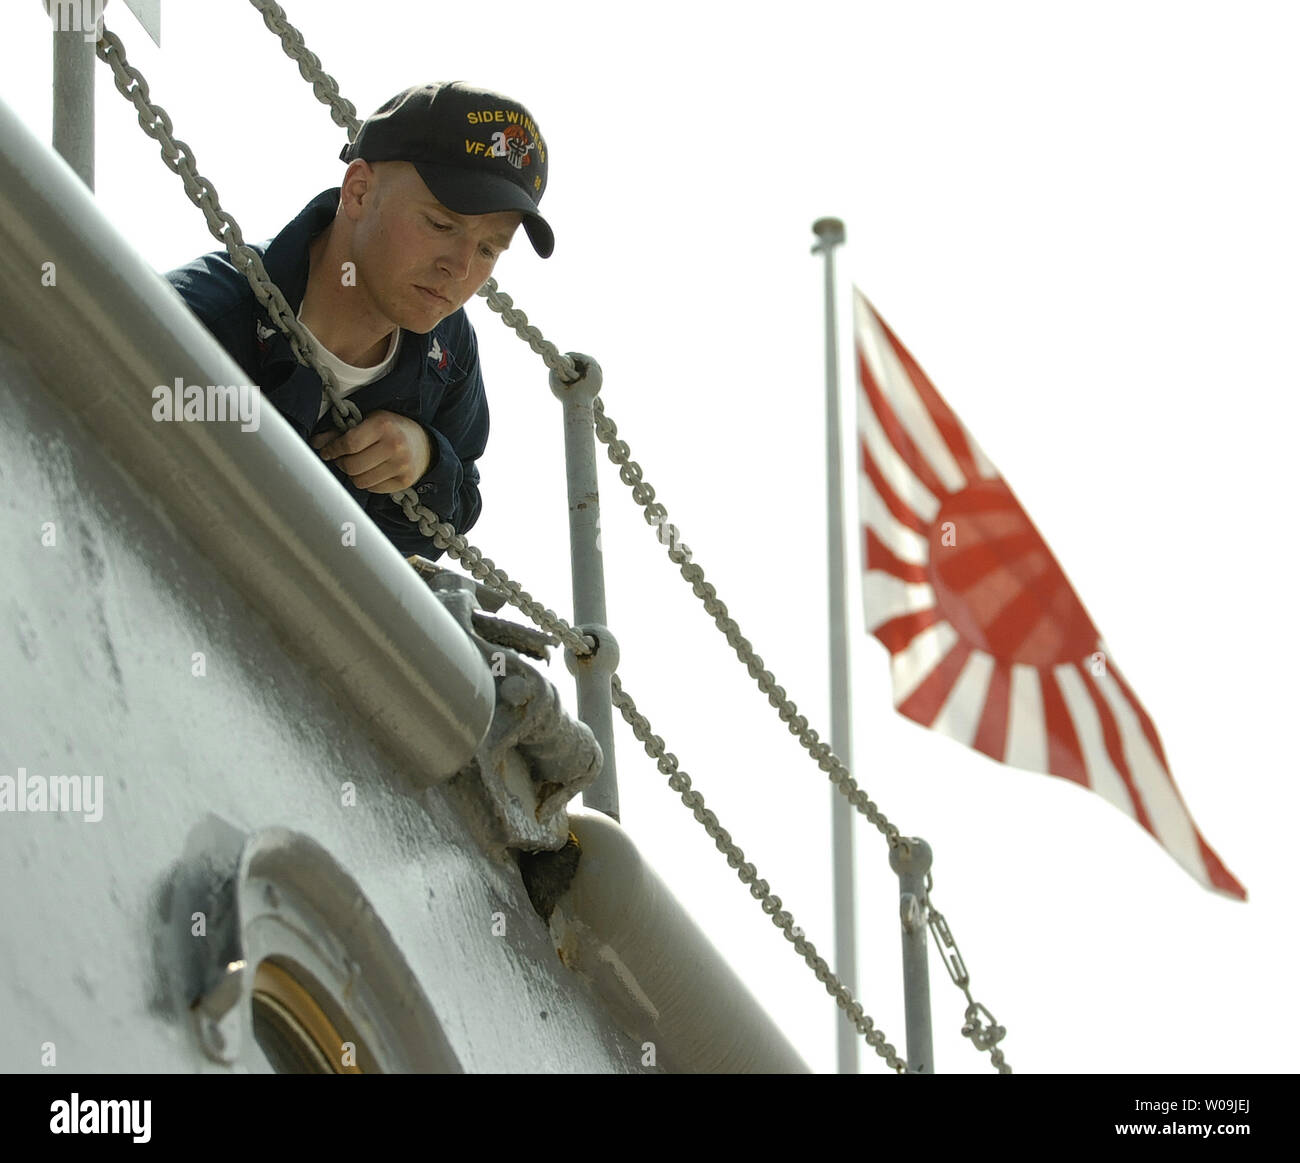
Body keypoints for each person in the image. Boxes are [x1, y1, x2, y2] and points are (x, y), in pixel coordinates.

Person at [165, 81, 553, 559]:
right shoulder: (197, 317)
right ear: (359, 191)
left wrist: (425, 459)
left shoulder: (446, 350)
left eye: (490, 248)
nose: (461, 267)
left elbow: (459, 505)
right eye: (440, 224)